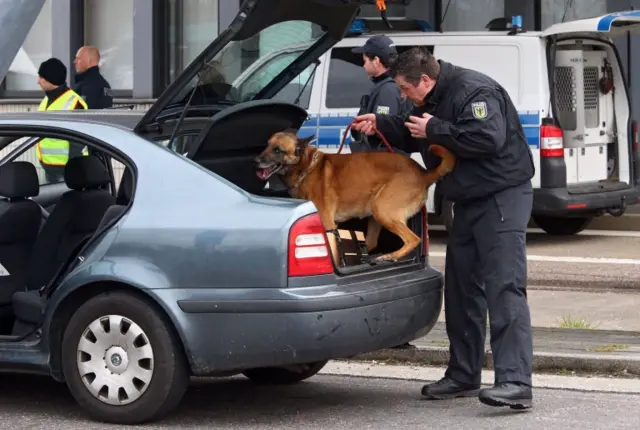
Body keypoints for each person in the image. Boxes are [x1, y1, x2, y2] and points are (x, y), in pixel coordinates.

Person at [351, 47, 536, 410]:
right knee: (461, 289)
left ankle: (515, 382)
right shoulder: (425, 97)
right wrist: (381, 124)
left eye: (406, 90)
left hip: (501, 195)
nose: (402, 97)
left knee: (504, 287)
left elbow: (488, 139)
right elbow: (410, 133)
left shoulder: (475, 90)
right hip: (465, 199)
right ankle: (463, 375)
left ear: (425, 79)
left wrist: (435, 128)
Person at [349, 35, 411, 153]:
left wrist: (362, 128)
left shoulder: (388, 89)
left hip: (383, 165)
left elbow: (383, 133)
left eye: (365, 61)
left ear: (376, 61)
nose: (364, 65)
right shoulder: (388, 85)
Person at [36, 58, 88, 183]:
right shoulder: (46, 100)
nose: (38, 81)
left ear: (51, 79)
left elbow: (78, 141)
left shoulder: (74, 103)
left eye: (41, 77)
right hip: (49, 168)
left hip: (66, 171)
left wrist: (73, 173)